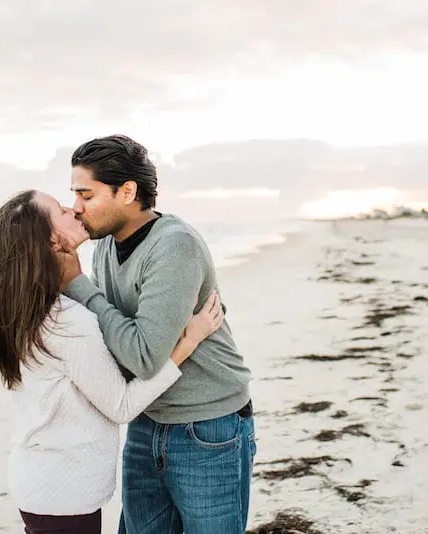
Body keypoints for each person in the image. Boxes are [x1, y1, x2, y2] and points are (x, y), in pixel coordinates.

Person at [0, 189, 224, 534]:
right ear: (51, 240)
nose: (74, 210)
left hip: (39, 481)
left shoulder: (23, 310)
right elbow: (120, 406)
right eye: (60, 210)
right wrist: (187, 342)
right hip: (64, 489)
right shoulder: (67, 321)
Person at [57, 134, 256, 534]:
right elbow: (111, 341)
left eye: (87, 195)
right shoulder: (106, 247)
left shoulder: (174, 247)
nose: (77, 208)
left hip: (208, 427)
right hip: (147, 419)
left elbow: (144, 357)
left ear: (127, 192)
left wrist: (78, 284)